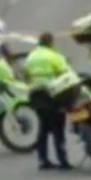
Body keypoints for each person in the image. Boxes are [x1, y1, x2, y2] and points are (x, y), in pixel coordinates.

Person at [22, 32, 73, 171]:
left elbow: (25, 75)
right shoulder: (54, 56)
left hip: (35, 95)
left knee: (44, 127)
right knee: (58, 127)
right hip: (52, 94)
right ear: (51, 42)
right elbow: (65, 73)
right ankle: (63, 160)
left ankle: (43, 160)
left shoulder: (31, 56)